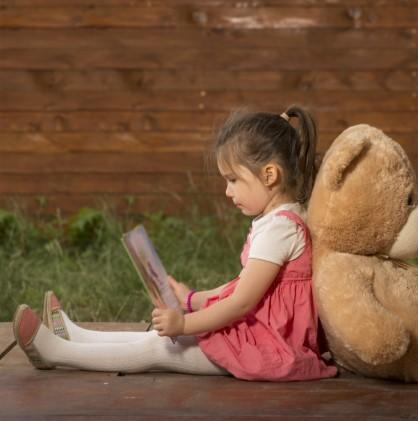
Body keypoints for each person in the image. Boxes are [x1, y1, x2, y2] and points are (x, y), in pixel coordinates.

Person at [12, 105, 337, 381]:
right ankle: (76, 336)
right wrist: (193, 297)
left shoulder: (280, 229)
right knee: (159, 339)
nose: (228, 192)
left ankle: (56, 352)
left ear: (269, 175)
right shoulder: (278, 221)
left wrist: (185, 321)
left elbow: (241, 303)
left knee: (159, 347)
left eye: (233, 180)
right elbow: (247, 288)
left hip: (267, 348)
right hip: (258, 336)